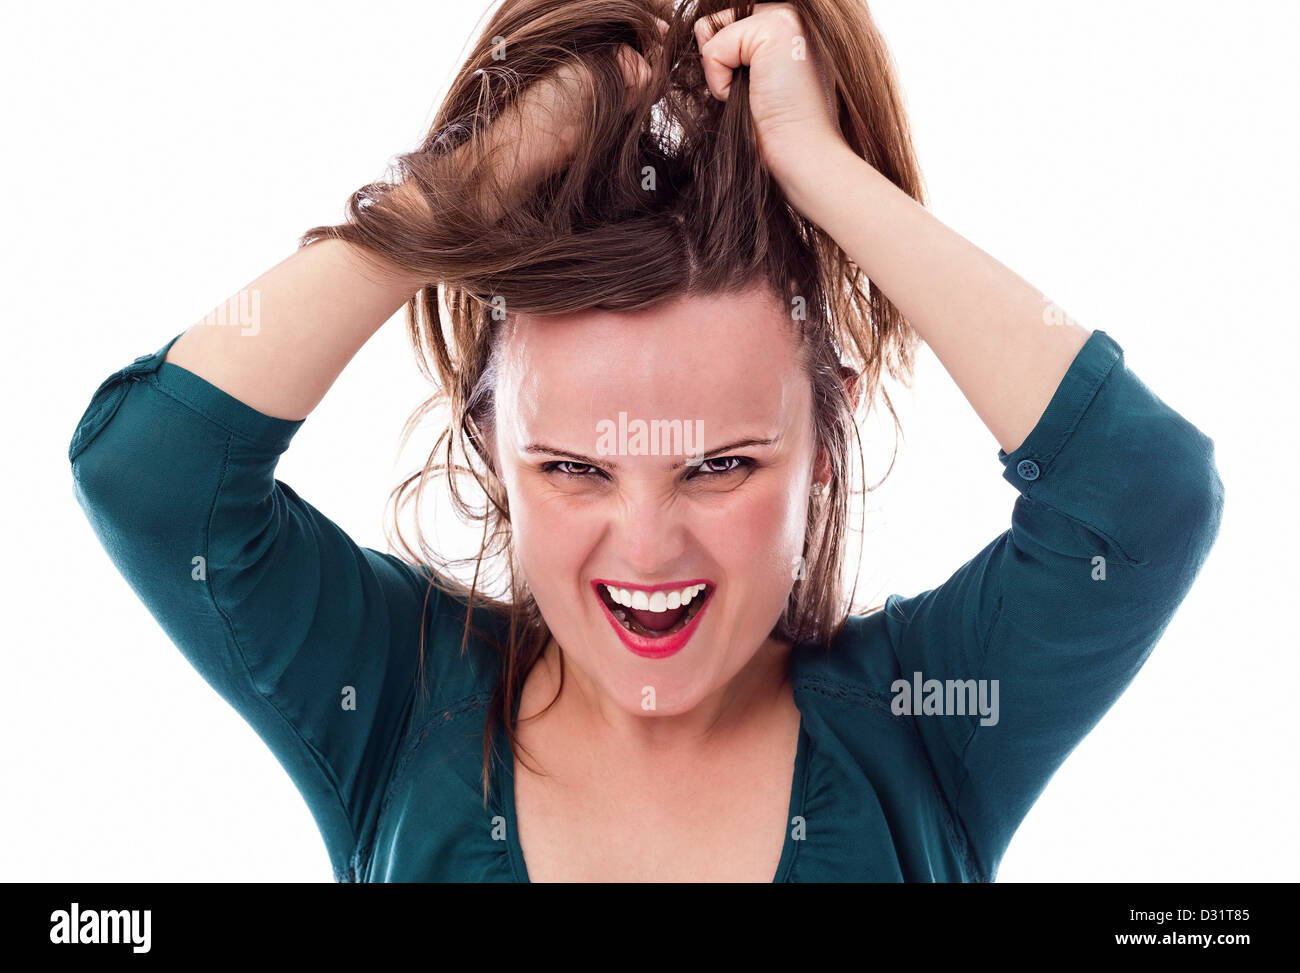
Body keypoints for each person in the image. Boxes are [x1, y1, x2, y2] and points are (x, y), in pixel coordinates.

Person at [68, 0, 1223, 882]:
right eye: (572, 466)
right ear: (487, 439)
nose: (647, 545)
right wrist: (468, 185)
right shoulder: (394, 699)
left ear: (827, 438)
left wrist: (822, 173)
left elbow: (1144, 491)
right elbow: (151, 472)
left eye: (721, 463)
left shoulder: (923, 730)